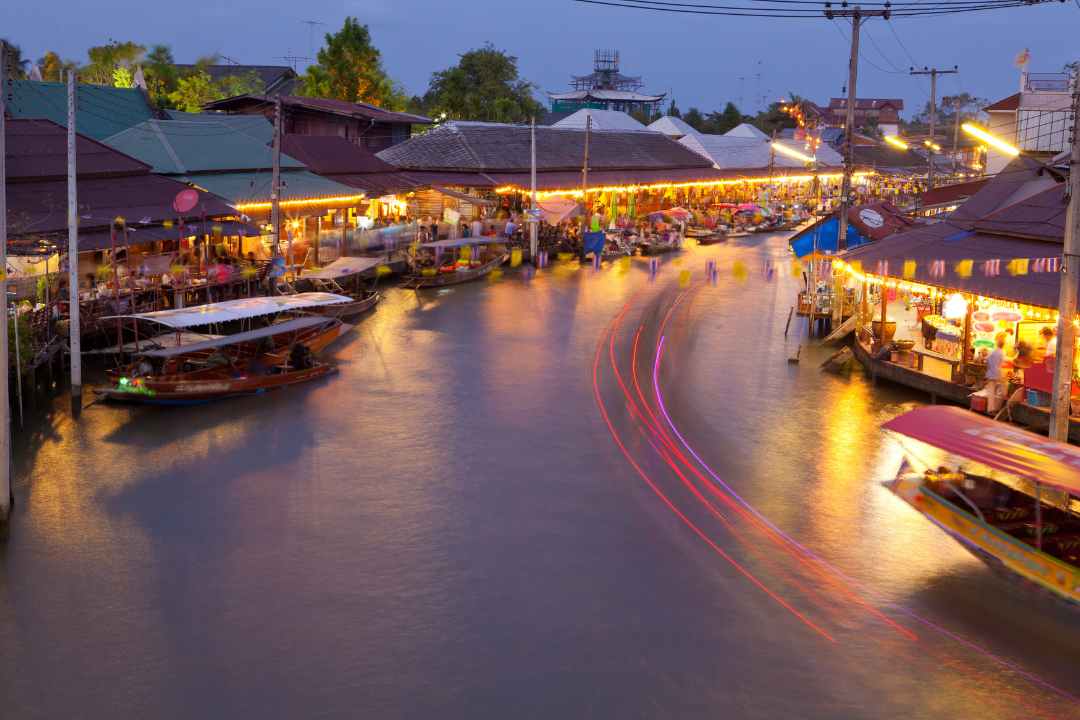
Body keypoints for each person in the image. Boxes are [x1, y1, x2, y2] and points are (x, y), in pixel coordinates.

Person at [985, 334, 1008, 414]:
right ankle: (1004, 395)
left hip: (990, 374)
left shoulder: (992, 351)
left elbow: (985, 361)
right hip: (998, 374)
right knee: (1005, 383)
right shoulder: (1001, 353)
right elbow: (1005, 362)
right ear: (1002, 346)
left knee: (990, 392)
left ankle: (990, 409)